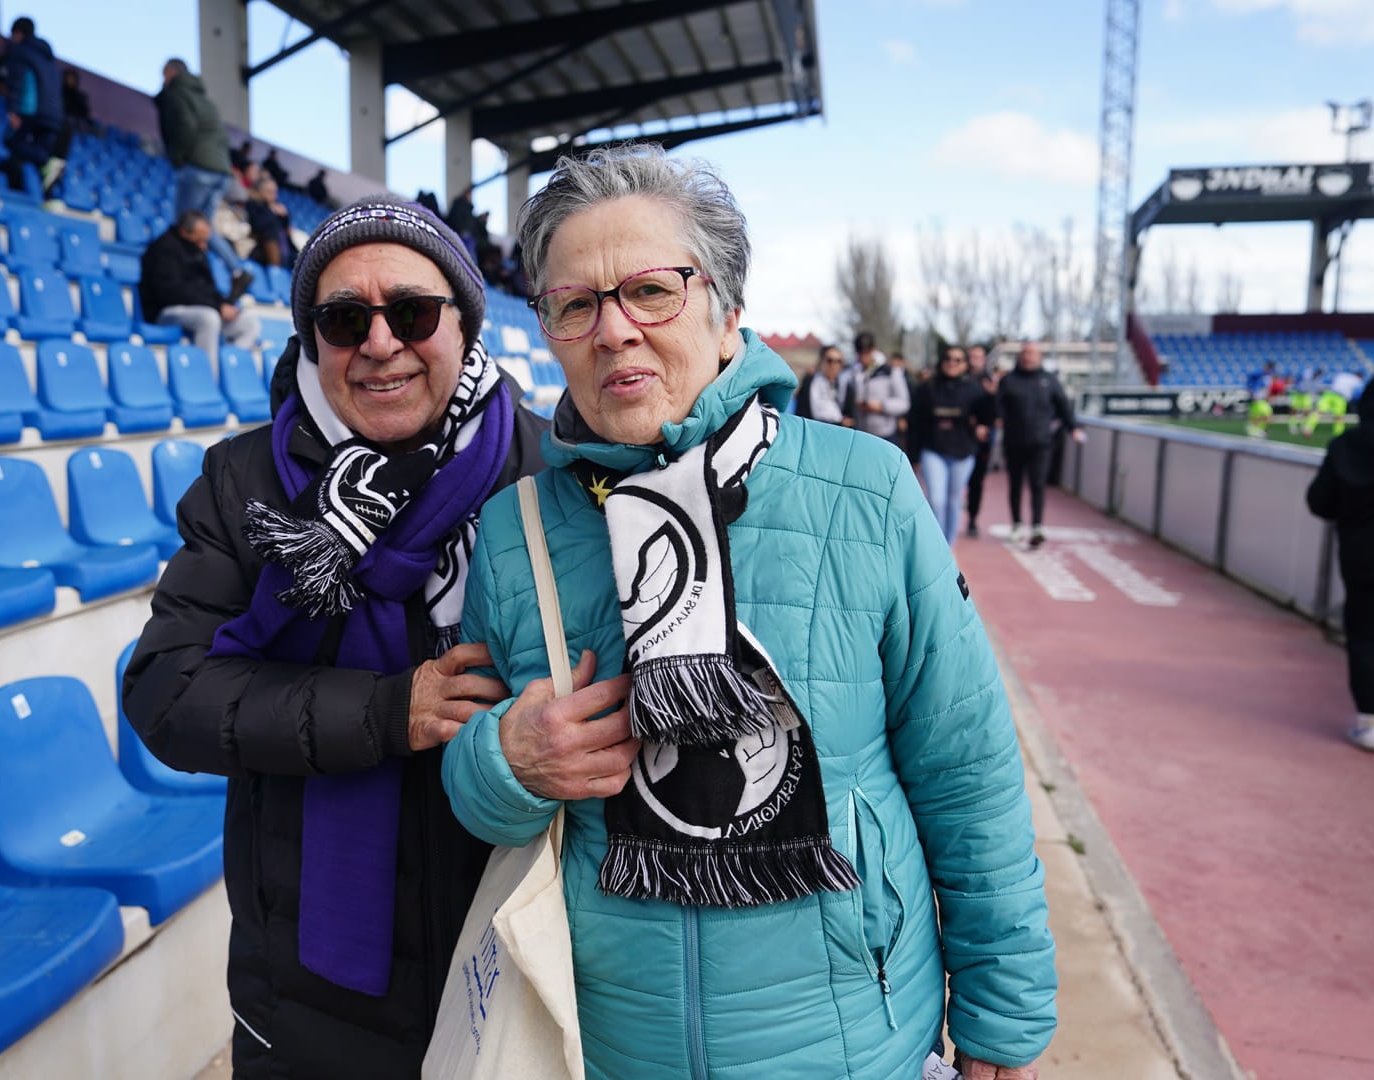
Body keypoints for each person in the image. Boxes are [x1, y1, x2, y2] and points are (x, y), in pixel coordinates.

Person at [441, 145, 1055, 1080]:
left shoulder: (867, 490)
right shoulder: (515, 529)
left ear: (727, 315)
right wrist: (507, 764)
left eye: (651, 291)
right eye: (576, 304)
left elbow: (966, 772)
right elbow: (474, 794)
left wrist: (1004, 1018)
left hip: (854, 1042)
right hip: (607, 1048)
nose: (614, 332)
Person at [122, 196, 549, 1077]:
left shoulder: (548, 473)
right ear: (314, 340)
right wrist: (387, 712)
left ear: (466, 325)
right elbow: (165, 690)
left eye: (413, 312)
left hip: (517, 955)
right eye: (345, 318)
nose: (380, 343)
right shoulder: (245, 482)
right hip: (309, 988)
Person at [1307, 371, 1374, 752]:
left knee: (1365, 639)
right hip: (1363, 560)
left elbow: (1319, 503)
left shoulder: (1346, 446)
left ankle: (1370, 723)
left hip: (1364, 560)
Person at [156, 58, 252, 298]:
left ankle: (182, 273)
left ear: (171, 72)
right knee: (204, 228)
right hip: (221, 172)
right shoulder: (206, 101)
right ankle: (237, 269)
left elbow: (184, 128)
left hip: (198, 167)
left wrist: (179, 158)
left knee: (184, 224)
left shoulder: (177, 93)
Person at [139, 210, 261, 366]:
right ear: (184, 232)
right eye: (200, 238)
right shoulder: (162, 249)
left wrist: (224, 304)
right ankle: (207, 374)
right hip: (166, 311)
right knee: (209, 318)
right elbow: (172, 293)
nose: (204, 244)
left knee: (249, 323)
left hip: (202, 307)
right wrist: (217, 307)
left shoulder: (196, 248)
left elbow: (207, 287)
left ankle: (228, 366)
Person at [996, 341, 1083, 548]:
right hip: (1014, 442)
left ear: (1039, 357)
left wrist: (1074, 428)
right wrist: (998, 419)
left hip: (1041, 442)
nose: (1028, 357)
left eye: (1032, 354)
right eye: (1025, 353)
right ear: (1020, 356)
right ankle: (1017, 524)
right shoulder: (1008, 380)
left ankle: (1037, 526)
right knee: (1015, 485)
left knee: (1038, 484)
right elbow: (998, 407)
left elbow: (1063, 406)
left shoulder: (1049, 380)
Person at [910, 346, 991, 545]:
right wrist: (913, 456)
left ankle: (948, 546)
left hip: (963, 452)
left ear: (965, 363)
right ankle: (937, 547)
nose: (951, 363)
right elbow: (914, 422)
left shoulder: (974, 388)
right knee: (936, 500)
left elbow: (988, 419)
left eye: (957, 359)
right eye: (947, 358)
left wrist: (991, 397)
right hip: (933, 450)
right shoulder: (927, 387)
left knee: (954, 502)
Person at [1, 16, 65, 197]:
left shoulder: (20, 52)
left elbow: (17, 83)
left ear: (18, 33)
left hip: (31, 110)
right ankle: (41, 182)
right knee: (34, 152)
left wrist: (13, 110)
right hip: (54, 115)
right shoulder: (49, 60)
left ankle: (16, 192)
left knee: (11, 141)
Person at [963, 344, 998, 538]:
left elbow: (996, 413)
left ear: (984, 359)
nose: (974, 360)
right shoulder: (961, 378)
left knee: (977, 481)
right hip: (961, 437)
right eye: (972, 356)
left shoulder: (989, 381)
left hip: (982, 440)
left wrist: (992, 395)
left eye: (978, 356)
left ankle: (972, 519)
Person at [856, 343, 911, 444]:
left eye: (866, 353)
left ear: (874, 350)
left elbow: (904, 403)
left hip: (885, 435)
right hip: (861, 434)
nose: (863, 358)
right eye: (860, 353)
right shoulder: (856, 371)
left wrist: (882, 406)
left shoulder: (891, 371)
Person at [793, 342, 856, 425]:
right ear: (822, 361)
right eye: (830, 361)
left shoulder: (845, 385)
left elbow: (850, 415)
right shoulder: (810, 383)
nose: (833, 365)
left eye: (838, 361)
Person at [245, 176, 296, 268]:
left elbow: (287, 230)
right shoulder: (253, 204)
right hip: (262, 247)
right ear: (260, 191)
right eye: (270, 192)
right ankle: (275, 269)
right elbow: (258, 226)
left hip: (286, 249)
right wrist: (271, 212)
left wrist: (285, 216)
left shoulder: (277, 206)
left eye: (275, 192)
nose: (274, 195)